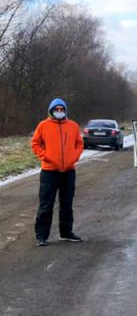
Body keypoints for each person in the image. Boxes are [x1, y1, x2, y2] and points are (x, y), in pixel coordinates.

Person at [30, 98, 84, 246]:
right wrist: (45, 156)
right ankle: (41, 236)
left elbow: (79, 144)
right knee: (46, 204)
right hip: (49, 171)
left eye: (62, 109)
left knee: (67, 203)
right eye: (56, 109)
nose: (59, 112)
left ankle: (66, 233)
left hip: (68, 171)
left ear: (65, 111)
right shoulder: (43, 125)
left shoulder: (73, 126)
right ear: (51, 110)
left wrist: (74, 157)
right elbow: (35, 143)